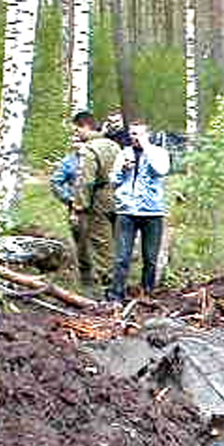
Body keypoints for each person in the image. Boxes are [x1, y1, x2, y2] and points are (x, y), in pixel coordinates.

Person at [108, 119, 171, 302]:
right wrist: (122, 170)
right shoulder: (124, 153)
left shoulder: (159, 153)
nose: (135, 137)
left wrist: (146, 148)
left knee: (150, 258)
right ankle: (116, 295)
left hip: (152, 213)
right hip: (126, 211)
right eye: (132, 134)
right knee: (122, 257)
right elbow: (113, 180)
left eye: (139, 133)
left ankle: (147, 293)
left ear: (147, 135)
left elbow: (161, 170)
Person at [70, 110, 122, 295]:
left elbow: (86, 181)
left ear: (86, 126)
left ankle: (110, 288)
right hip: (119, 196)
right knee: (119, 241)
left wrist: (79, 207)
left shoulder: (89, 149)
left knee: (102, 244)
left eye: (77, 130)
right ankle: (123, 280)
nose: (76, 134)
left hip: (99, 198)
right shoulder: (113, 145)